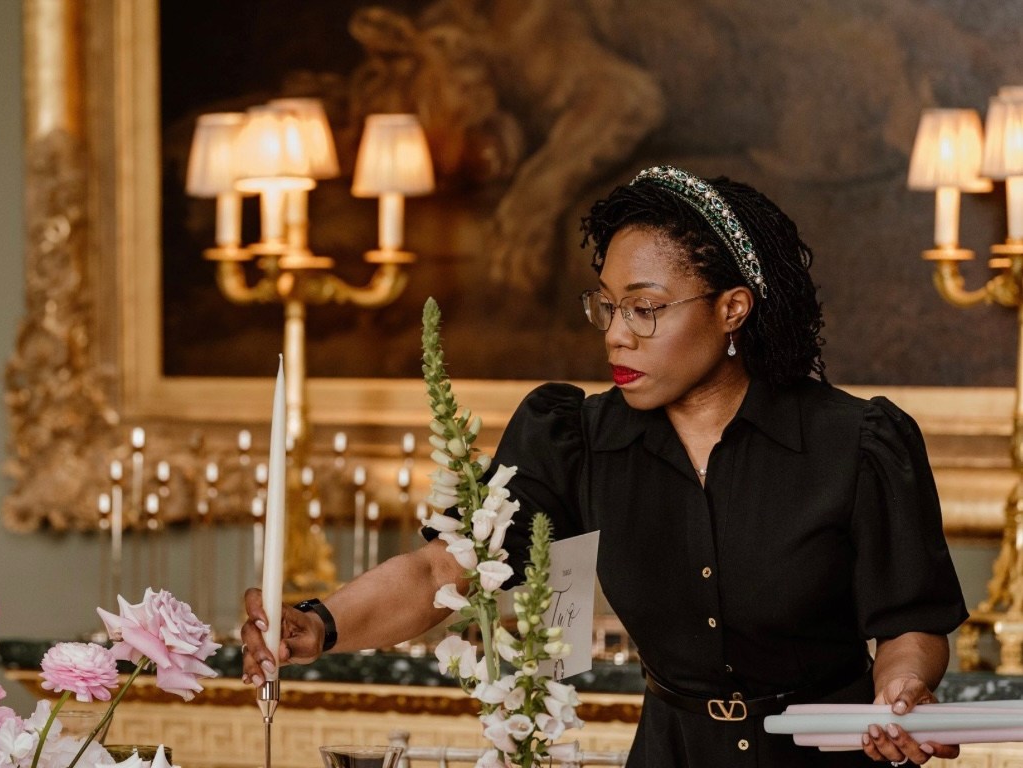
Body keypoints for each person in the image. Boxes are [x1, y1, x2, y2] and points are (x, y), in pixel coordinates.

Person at [239, 165, 968, 767]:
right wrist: (319, 623)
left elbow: (910, 626)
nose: (617, 335)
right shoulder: (575, 440)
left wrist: (900, 691)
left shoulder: (856, 443)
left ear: (733, 309)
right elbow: (444, 570)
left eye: (645, 309)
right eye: (608, 306)